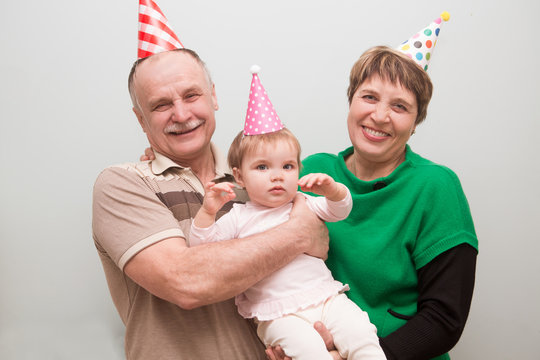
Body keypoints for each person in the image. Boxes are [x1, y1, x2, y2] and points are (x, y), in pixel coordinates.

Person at [92, 48, 331, 360]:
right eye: (161, 105)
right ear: (141, 119)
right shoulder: (123, 184)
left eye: (191, 95)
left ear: (213, 97)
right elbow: (185, 281)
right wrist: (298, 234)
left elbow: (315, 258)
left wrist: (314, 342)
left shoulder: (257, 183)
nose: (181, 114)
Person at [268, 45, 478, 360]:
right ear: (351, 100)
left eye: (400, 106)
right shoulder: (310, 172)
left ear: (416, 121)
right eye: (369, 97)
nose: (379, 116)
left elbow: (445, 318)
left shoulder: (436, 187)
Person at [189, 126, 387, 360]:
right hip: (278, 315)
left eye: (287, 166)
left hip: (327, 299)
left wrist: (332, 190)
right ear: (239, 176)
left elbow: (340, 210)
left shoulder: (302, 202)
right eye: (262, 167)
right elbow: (202, 249)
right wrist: (208, 212)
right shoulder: (237, 217)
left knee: (362, 336)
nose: (277, 176)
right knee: (309, 353)